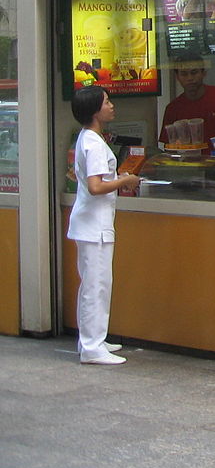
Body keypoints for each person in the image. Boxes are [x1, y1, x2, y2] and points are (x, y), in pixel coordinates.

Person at [67, 86, 141, 365]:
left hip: (92, 224)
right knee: (96, 286)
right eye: (107, 102)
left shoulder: (88, 139)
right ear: (95, 110)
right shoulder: (94, 143)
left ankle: (95, 338)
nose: (112, 106)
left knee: (95, 284)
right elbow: (96, 186)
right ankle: (92, 345)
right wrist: (124, 181)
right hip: (94, 226)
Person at [162, 52, 215, 142]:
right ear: (177, 77)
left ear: (203, 73)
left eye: (194, 73)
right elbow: (169, 146)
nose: (190, 78)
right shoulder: (173, 108)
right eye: (184, 74)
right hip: (187, 156)